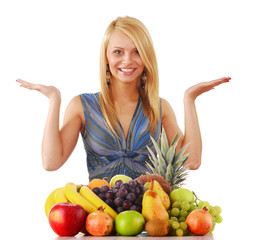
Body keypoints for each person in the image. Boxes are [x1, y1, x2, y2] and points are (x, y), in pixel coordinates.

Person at [16, 16, 231, 181]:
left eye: (137, 51)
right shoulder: (82, 106)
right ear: (106, 58)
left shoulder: (159, 108)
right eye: (118, 52)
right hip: (99, 221)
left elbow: (191, 161)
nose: (127, 60)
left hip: (150, 222)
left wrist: (189, 99)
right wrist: (55, 99)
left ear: (147, 57)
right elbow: (51, 162)